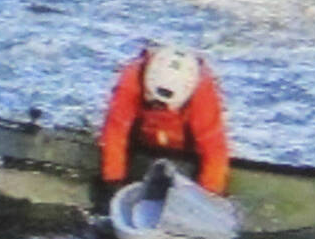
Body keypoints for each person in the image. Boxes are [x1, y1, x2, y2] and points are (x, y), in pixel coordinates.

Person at [97, 43, 231, 202]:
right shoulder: (131, 79)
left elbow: (215, 152)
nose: (160, 109)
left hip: (185, 153)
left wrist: (208, 199)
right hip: (140, 142)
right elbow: (115, 132)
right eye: (155, 103)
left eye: (165, 106)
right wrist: (113, 182)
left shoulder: (203, 95)